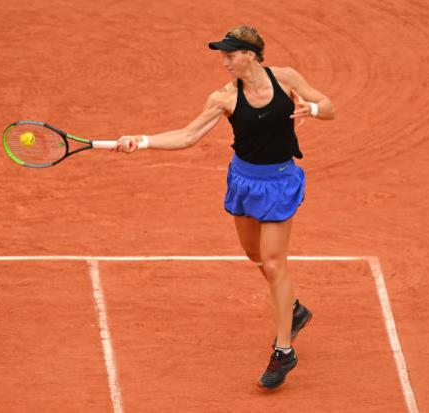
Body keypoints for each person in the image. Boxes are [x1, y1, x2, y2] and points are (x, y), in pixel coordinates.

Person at [115, 25, 335, 390]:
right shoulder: (224, 97)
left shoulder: (286, 79)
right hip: (244, 182)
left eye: (230, 55)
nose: (224, 62)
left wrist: (311, 109)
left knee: (275, 262)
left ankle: (284, 350)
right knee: (255, 255)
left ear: (250, 54)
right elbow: (188, 136)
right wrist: (142, 141)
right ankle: (294, 308)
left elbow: (330, 108)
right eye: (223, 55)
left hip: (279, 182)